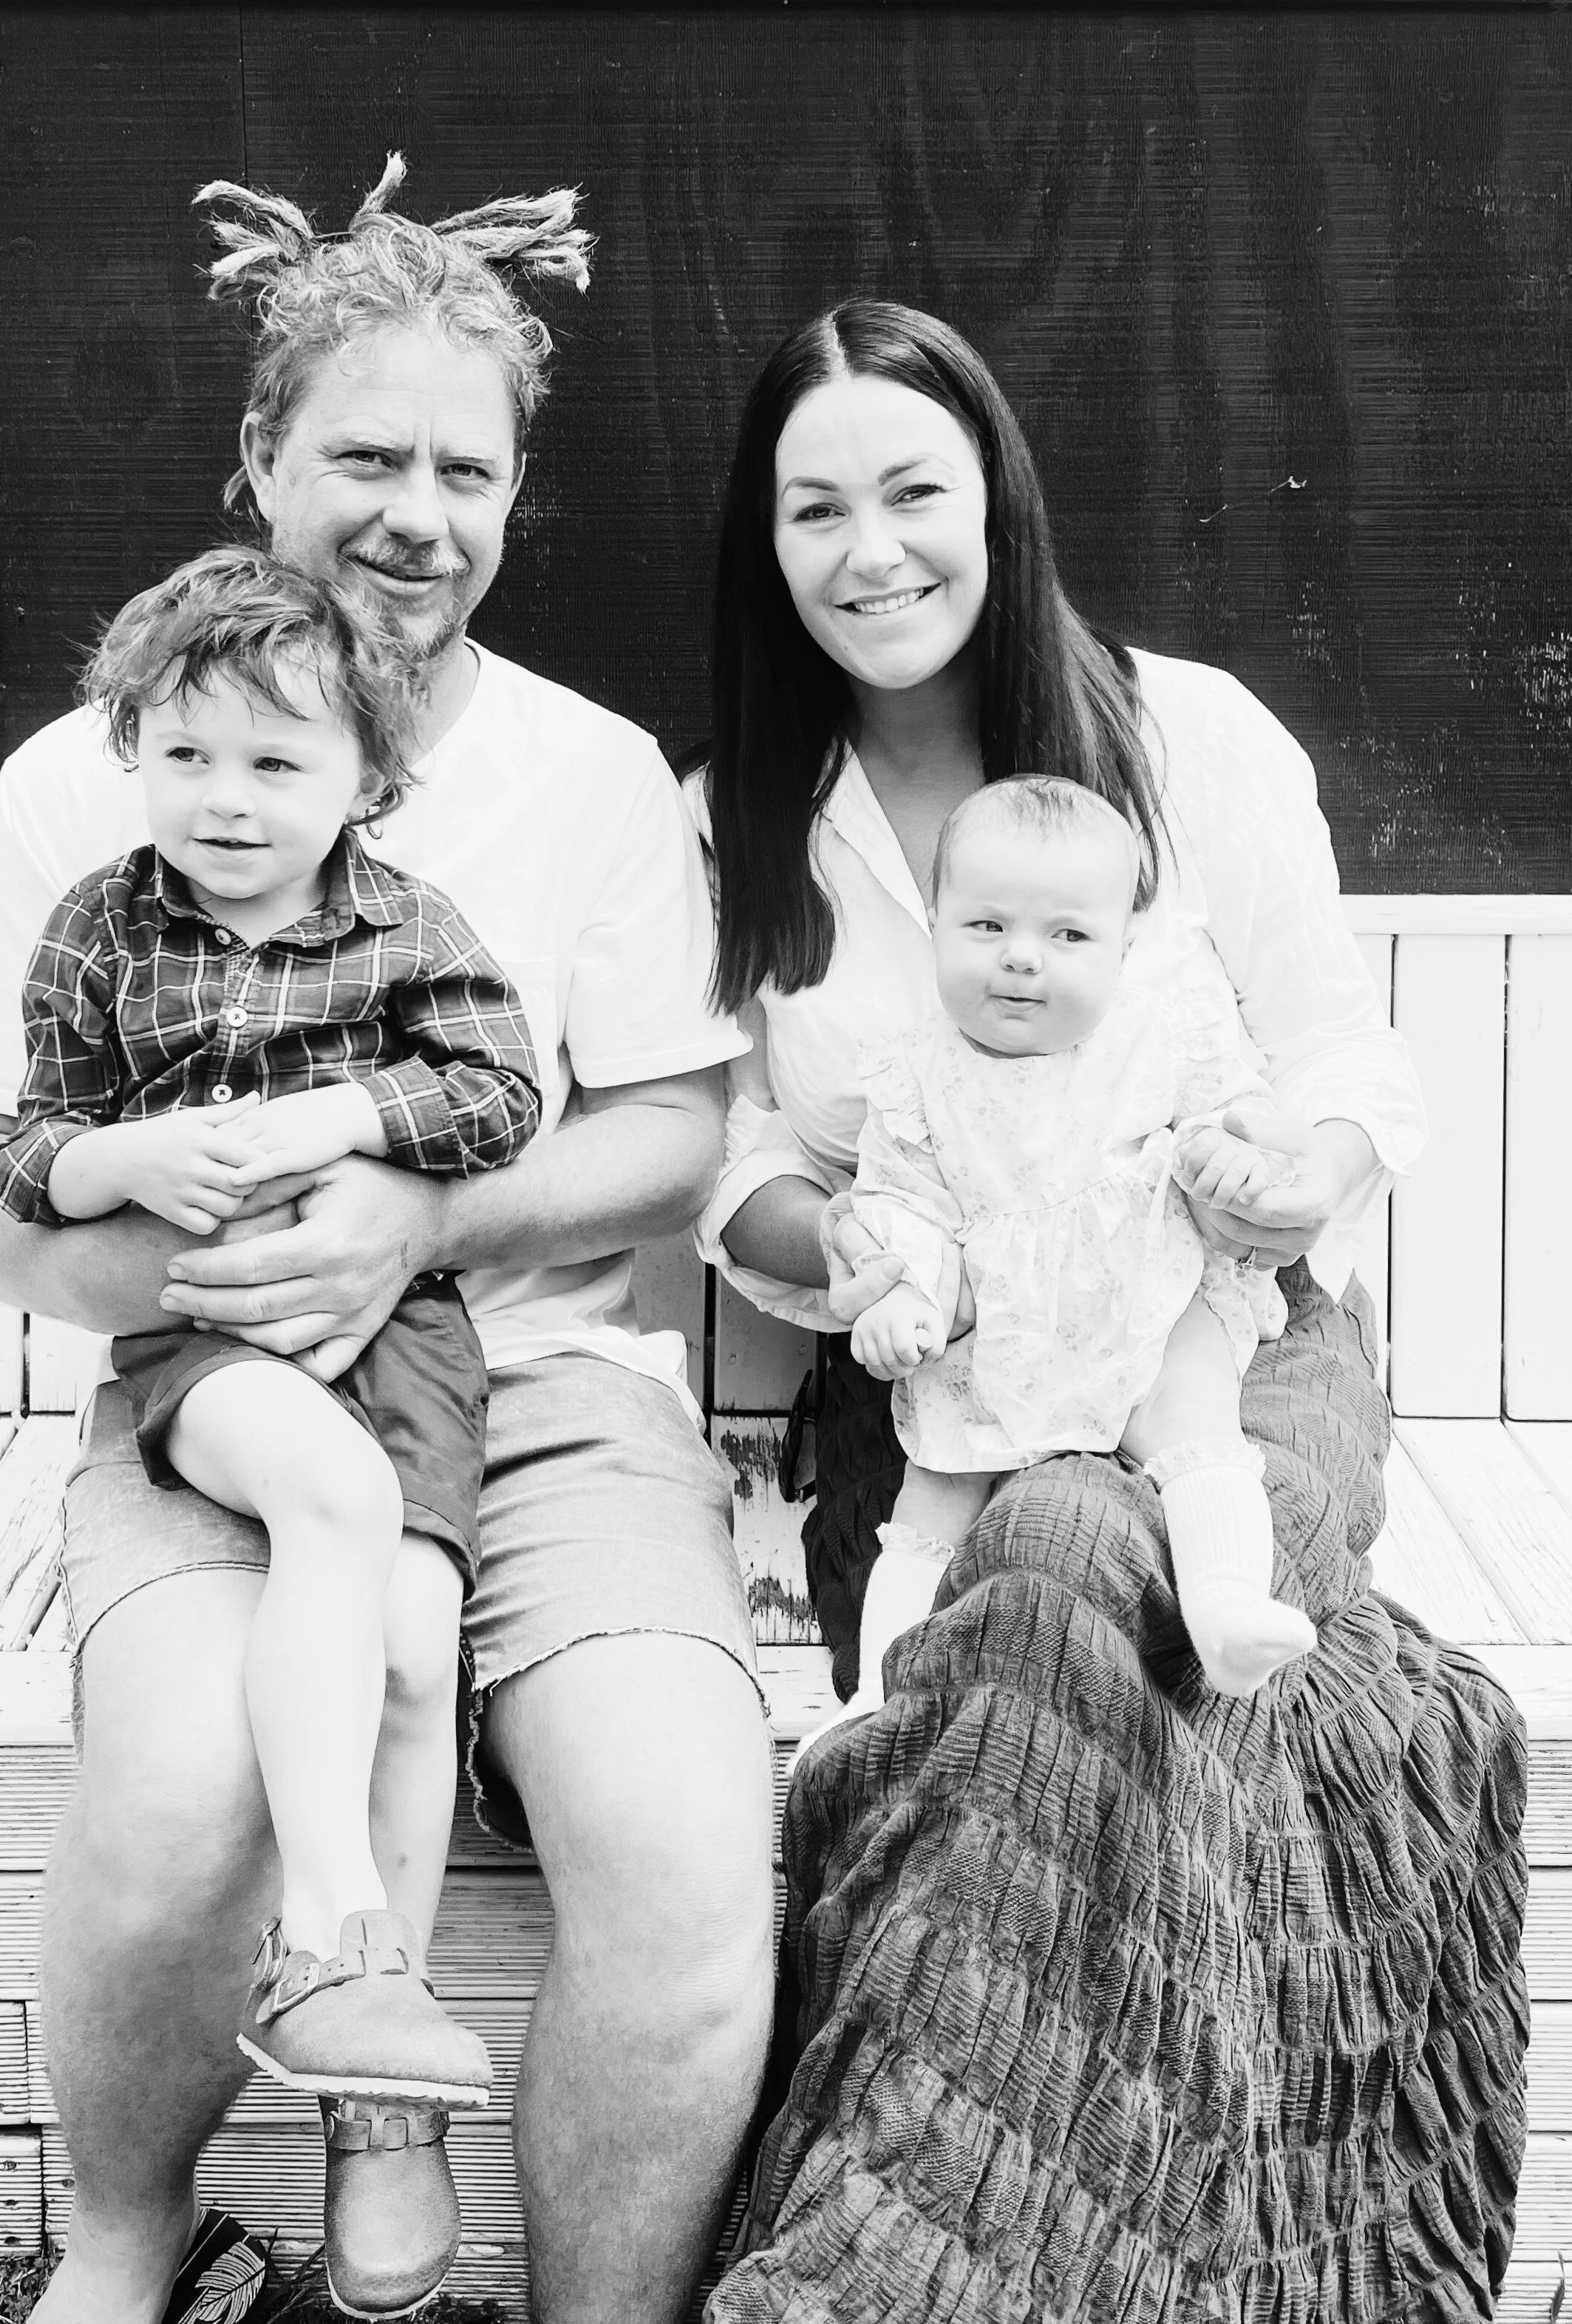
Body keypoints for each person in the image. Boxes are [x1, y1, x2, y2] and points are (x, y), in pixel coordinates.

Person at [0, 155, 775, 2324]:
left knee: (678, 1836)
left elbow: (673, 1132)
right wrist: (184, 1287)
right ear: (258, 466)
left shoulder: (583, 780)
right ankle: (122, 2249)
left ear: (512, 496)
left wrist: (416, 1214)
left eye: (462, 467)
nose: (415, 508)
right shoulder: (91, 781)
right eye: (362, 453)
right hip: (216, 1378)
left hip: (558, 1383)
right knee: (186, 1770)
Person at [692, 300, 1525, 2315]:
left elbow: (1346, 1064)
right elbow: (738, 1174)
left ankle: (935, 2244)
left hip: (1227, 1340)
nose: (869, 548)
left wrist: (1299, 1166)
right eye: (816, 508)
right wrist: (844, 1247)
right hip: (928, 1395)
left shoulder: (1188, 738)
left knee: (1099, 1545)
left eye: (913, 490)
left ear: (997, 499)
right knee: (1053, 1546)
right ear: (766, 543)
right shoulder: (739, 815)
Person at [0, 551, 545, 2244]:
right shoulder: (99, 923)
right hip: (206, 1333)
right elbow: (23, 1154)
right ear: (128, 744)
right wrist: (118, 1157)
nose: (225, 798)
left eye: (277, 761)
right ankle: (325, 1920)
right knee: (335, 1501)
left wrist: (346, 1119)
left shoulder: (407, 923)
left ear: (365, 780)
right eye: (185, 753)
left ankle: (375, 2057)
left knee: (417, 1633)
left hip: (408, 1333)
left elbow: (500, 1092)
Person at [827, 770, 1316, 1741]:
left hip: (1143, 1301)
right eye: (985, 927)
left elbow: (1232, 1112)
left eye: (1067, 936)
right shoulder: (917, 1073)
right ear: (935, 920)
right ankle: (877, 1697)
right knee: (930, 1500)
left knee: (1197, 1417)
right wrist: (902, 1296)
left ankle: (1225, 1609)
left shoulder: (1155, 1038)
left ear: (1124, 948)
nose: (1021, 960)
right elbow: (901, 1205)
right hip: (989, 1337)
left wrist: (1234, 1147)